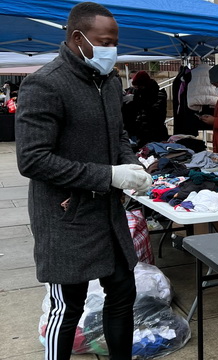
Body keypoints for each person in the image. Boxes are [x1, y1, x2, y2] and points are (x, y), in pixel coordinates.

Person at [14, 2, 153, 359]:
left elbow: (118, 135)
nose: (112, 50)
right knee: (68, 305)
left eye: (115, 42)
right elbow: (33, 160)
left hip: (107, 212)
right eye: (105, 42)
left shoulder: (108, 81)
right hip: (66, 216)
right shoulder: (44, 84)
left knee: (122, 291)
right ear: (78, 38)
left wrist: (132, 168)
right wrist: (108, 175)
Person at [121, 70, 169, 150]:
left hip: (156, 133)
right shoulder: (139, 94)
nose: (138, 89)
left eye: (140, 87)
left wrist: (137, 101)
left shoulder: (159, 94)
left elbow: (156, 113)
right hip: (141, 134)